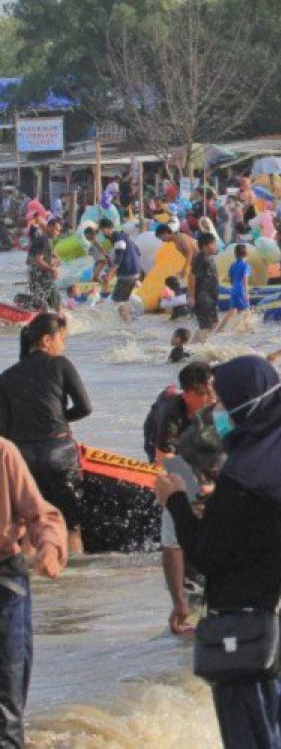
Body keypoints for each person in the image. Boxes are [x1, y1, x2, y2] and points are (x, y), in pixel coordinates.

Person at [156, 356, 281, 747]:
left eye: (224, 402)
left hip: (248, 641)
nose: (218, 412)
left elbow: (204, 556)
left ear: (249, 405)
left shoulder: (242, 478)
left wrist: (176, 502)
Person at [0, 313, 91, 555]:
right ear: (47, 340)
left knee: (31, 526)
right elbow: (85, 407)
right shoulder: (61, 364)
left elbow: (4, 431)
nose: (63, 345)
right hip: (58, 453)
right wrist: (59, 420)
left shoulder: (6, 376)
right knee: (71, 526)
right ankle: (73, 581)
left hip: (24, 457)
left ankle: (36, 587)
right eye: (62, 339)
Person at [0, 437, 66, 746]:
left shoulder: (3, 453)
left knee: (6, 710)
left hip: (4, 583)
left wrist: (49, 549)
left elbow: (41, 515)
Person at [150, 362, 216, 633]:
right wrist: (190, 490)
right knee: (173, 529)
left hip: (205, 463)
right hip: (171, 461)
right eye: (205, 394)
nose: (211, 399)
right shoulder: (172, 413)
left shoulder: (217, 411)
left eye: (213, 392)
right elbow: (163, 457)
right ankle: (180, 602)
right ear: (188, 394)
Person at [26, 216, 61, 312]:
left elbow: (28, 261)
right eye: (57, 230)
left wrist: (54, 261)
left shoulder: (44, 239)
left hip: (37, 276)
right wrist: (52, 269)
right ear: (49, 227)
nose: (58, 233)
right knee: (53, 302)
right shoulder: (44, 239)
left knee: (44, 302)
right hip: (39, 276)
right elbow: (38, 260)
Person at [104, 219, 142, 304]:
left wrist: (109, 275)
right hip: (136, 272)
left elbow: (119, 260)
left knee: (117, 301)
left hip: (127, 273)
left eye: (102, 231)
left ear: (105, 229)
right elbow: (138, 252)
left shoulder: (117, 238)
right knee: (127, 300)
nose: (103, 234)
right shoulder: (126, 238)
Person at [217, 243, 252, 333]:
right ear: (246, 254)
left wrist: (234, 288)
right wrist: (247, 293)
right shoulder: (246, 265)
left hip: (234, 290)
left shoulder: (233, 265)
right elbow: (245, 279)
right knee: (247, 311)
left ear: (235, 254)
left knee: (232, 312)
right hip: (242, 290)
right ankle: (249, 330)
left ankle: (220, 328)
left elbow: (231, 279)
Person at [82, 225, 111, 295]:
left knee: (96, 277)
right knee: (97, 277)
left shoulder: (95, 241)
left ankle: (105, 290)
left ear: (90, 234)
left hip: (101, 261)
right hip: (98, 262)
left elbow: (101, 247)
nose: (85, 237)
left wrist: (106, 255)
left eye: (86, 235)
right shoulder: (92, 242)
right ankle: (103, 289)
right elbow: (92, 252)